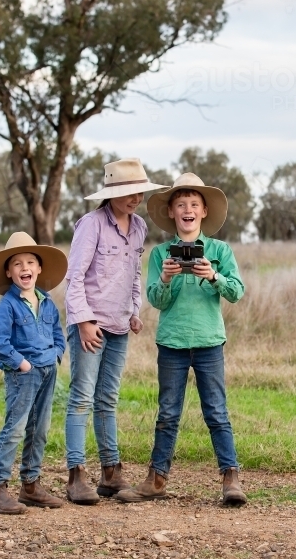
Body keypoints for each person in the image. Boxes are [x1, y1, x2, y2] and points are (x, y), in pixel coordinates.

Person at [116, 173, 248, 506]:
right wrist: (165, 278)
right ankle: (156, 479)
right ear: (172, 212)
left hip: (209, 342)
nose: (187, 209)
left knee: (216, 412)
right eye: (180, 205)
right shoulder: (161, 254)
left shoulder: (219, 251)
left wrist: (214, 275)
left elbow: (237, 292)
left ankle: (230, 479)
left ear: (204, 211)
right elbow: (157, 302)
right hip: (172, 343)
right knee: (168, 414)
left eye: (193, 204)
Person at [63, 158, 167, 504]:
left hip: (120, 324)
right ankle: (76, 475)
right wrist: (84, 321)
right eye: (127, 191)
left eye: (138, 191)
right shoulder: (90, 225)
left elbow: (134, 274)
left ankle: (111, 472)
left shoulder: (138, 227)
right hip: (90, 325)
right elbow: (74, 278)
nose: (135, 197)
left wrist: (134, 310)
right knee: (82, 397)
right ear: (110, 194)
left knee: (108, 398)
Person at [0, 232, 69, 514]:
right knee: (16, 428)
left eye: (30, 262)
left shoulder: (46, 301)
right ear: (9, 271)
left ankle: (30, 485)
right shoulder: (8, 305)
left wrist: (56, 353)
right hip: (24, 374)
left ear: (39, 268)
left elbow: (58, 332)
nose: (24, 268)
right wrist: (21, 363)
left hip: (47, 370)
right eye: (17, 264)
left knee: (39, 429)